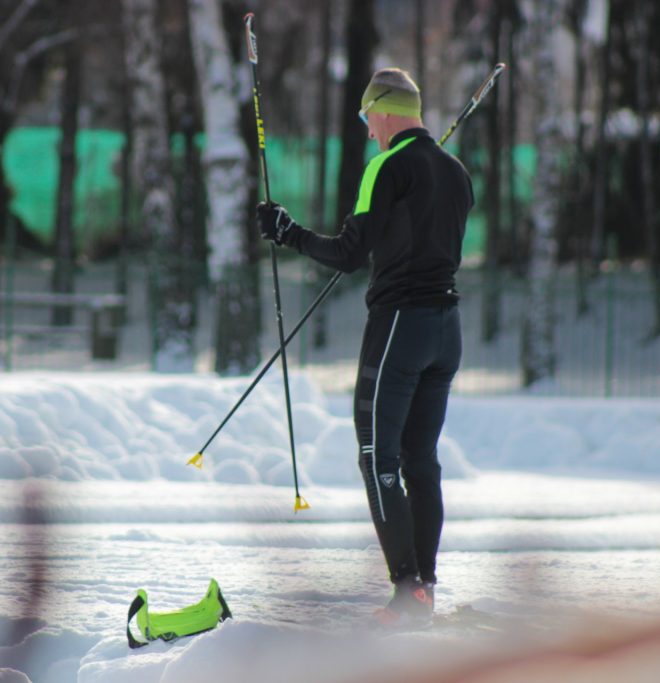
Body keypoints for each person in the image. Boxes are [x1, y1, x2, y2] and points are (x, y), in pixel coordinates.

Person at [255, 68, 474, 622]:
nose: (367, 131)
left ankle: (407, 592)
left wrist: (288, 232)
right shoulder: (455, 171)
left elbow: (351, 255)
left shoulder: (386, 166)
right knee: (420, 460)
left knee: (378, 457)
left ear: (381, 111)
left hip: (400, 324)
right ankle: (424, 585)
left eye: (365, 119)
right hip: (447, 330)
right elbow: (419, 239)